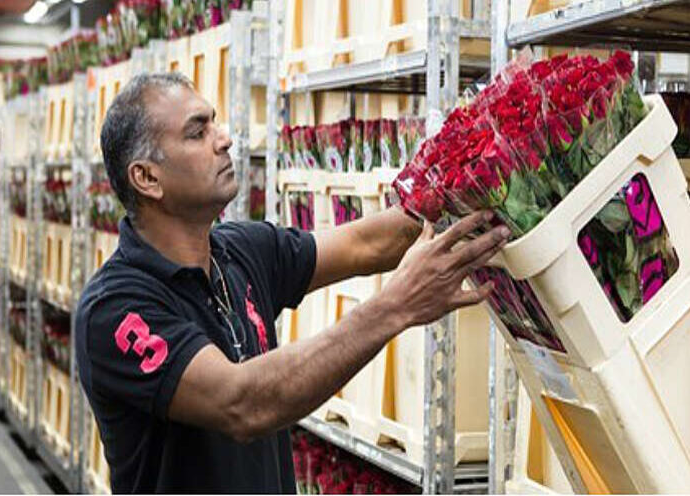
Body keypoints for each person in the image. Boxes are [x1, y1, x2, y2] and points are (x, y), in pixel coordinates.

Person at [74, 73, 510, 494]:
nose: (224, 138)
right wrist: (395, 306)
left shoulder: (240, 250)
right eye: (197, 132)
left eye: (215, 122)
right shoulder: (116, 308)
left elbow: (366, 244)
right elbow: (241, 402)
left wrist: (485, 165)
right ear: (147, 178)